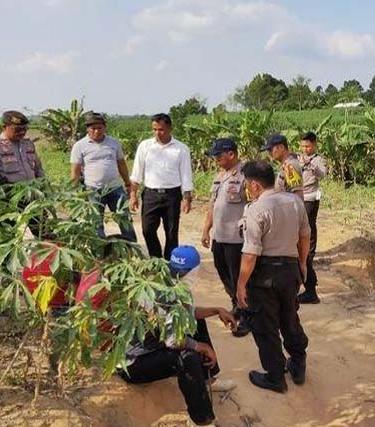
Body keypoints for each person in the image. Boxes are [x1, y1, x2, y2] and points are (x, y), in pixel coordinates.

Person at [117, 245, 237, 427]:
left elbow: (186, 316)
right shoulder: (169, 295)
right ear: (192, 273)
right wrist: (201, 347)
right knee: (188, 357)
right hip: (134, 365)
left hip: (155, 344)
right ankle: (201, 420)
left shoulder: (169, 281)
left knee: (198, 324)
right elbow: (173, 341)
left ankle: (208, 379)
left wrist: (215, 310)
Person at [236, 160, 310, 393]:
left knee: (265, 325)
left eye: (247, 184)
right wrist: (302, 264)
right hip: (290, 270)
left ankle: (275, 376)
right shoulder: (295, 202)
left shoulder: (255, 209)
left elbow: (250, 253)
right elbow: (305, 235)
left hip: (264, 273)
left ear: (255, 185)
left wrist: (241, 284)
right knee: (289, 317)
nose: (246, 188)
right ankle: (298, 364)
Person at [201, 138, 250, 337]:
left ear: (231, 154)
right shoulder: (219, 176)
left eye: (219, 156)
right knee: (224, 274)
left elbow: (256, 202)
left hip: (236, 239)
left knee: (240, 279)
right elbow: (213, 207)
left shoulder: (246, 174)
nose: (216, 160)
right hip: (219, 238)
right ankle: (236, 305)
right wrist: (206, 230)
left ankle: (248, 316)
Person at [129, 113, 194, 259]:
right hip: (151, 194)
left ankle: (169, 263)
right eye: (154, 129)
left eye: (161, 129)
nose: (157, 133)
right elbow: (136, 173)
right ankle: (155, 259)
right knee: (147, 230)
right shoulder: (145, 146)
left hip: (172, 195)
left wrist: (187, 198)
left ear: (170, 128)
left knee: (171, 232)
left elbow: (186, 175)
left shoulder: (181, 149)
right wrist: (133, 195)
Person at [0, 110, 52, 238]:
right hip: (8, 197)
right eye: (17, 129)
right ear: (4, 127)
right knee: (7, 235)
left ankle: (44, 257)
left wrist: (45, 188)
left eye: (24, 129)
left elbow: (38, 169)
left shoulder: (28, 143)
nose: (22, 133)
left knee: (43, 231)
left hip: (32, 194)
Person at [70, 112, 137, 242]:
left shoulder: (113, 143)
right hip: (92, 190)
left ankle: (131, 248)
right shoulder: (80, 146)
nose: (96, 131)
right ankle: (100, 251)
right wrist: (74, 193)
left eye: (99, 128)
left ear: (104, 127)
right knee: (96, 223)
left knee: (124, 219)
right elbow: (75, 171)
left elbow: (121, 164)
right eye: (93, 128)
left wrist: (128, 183)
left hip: (115, 188)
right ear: (87, 129)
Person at [297, 131, 327, 304]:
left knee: (308, 227)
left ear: (314, 145)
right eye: (303, 146)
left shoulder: (317, 159)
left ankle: (310, 253)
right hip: (298, 196)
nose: (305, 149)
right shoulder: (298, 158)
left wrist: (309, 163)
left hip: (311, 196)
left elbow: (322, 174)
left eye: (307, 146)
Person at [260, 133, 303, 199]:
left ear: (282, 147)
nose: (269, 153)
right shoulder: (286, 165)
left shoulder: (289, 166)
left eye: (270, 150)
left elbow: (298, 195)